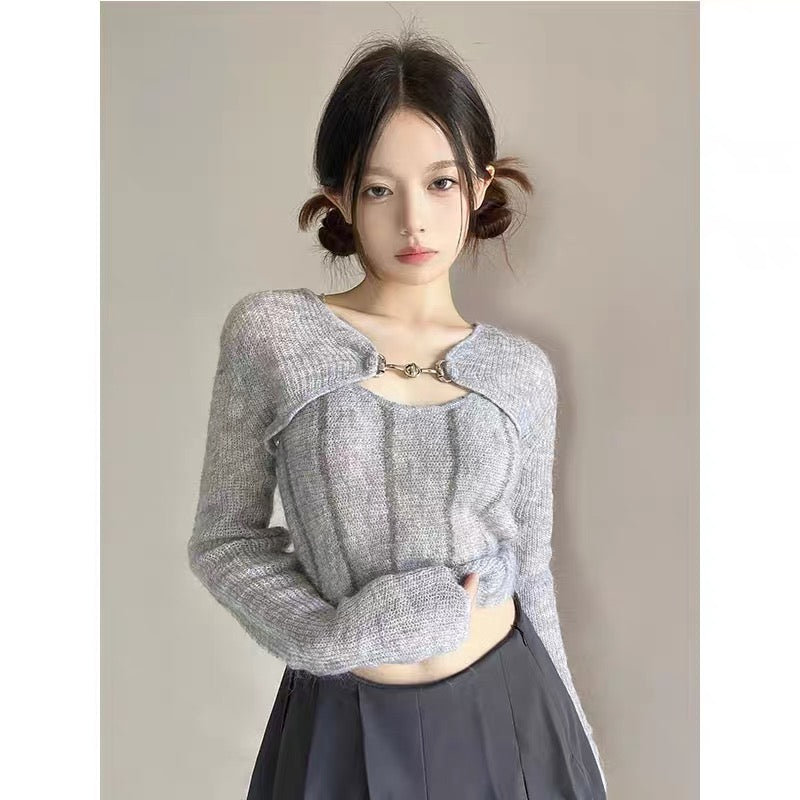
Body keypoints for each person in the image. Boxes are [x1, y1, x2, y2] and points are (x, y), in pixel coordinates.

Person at [188, 27, 608, 799]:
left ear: (478, 186)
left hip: (512, 720)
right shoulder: (275, 335)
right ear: (340, 198)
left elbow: (532, 572)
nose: (414, 220)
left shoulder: (520, 371)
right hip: (340, 726)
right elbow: (225, 539)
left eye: (440, 183)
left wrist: (580, 757)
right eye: (380, 189)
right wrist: (334, 637)